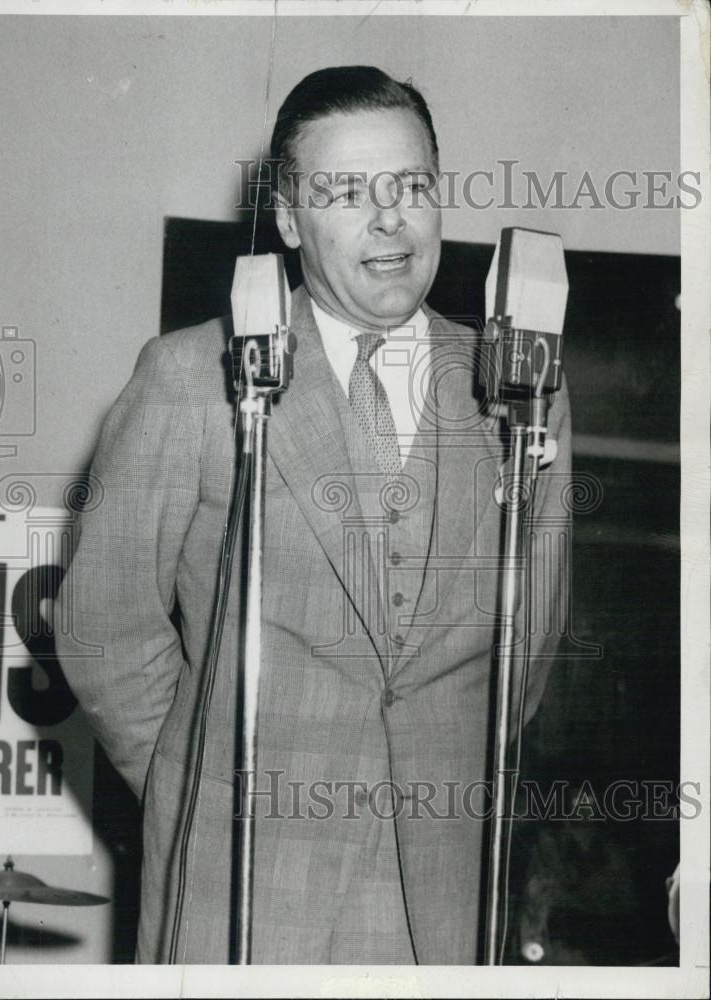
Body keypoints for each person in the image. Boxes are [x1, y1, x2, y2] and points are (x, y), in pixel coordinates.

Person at [55, 65, 572, 965]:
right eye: (344, 192)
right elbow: (103, 626)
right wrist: (199, 785)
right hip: (241, 886)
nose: (388, 219)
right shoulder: (191, 377)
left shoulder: (523, 388)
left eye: (410, 186)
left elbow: (529, 644)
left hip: (444, 897)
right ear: (289, 220)